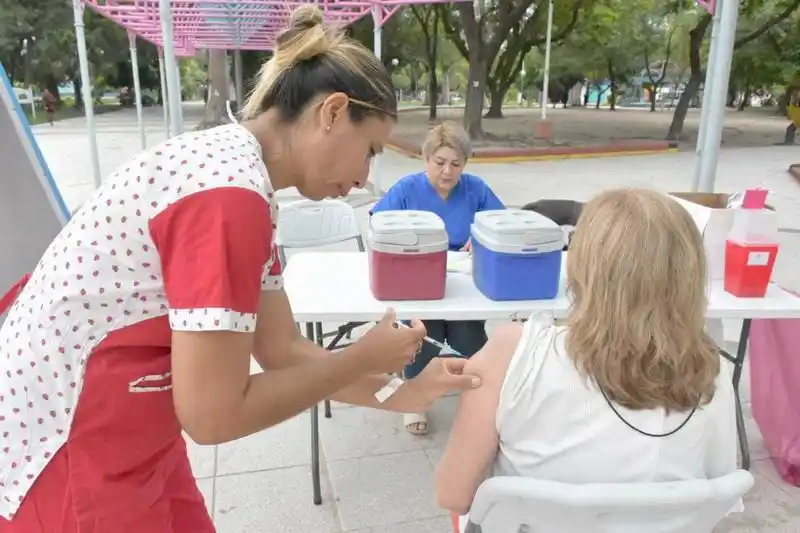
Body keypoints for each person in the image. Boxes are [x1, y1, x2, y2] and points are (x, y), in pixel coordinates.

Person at [0, 6, 481, 533]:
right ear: (333, 112)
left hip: (134, 431)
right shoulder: (228, 194)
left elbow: (283, 351)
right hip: (67, 446)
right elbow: (212, 417)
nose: (366, 178)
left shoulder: (244, 180)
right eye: (369, 150)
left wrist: (402, 390)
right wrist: (364, 353)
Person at [434, 189, 737, 526]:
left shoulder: (512, 351)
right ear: (690, 274)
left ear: (583, 265)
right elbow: (719, 492)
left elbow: (454, 494)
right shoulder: (712, 371)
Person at [370, 121, 504, 436]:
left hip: (461, 283)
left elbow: (499, 223)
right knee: (423, 333)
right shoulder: (406, 189)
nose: (447, 171)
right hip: (415, 280)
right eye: (440, 162)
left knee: (468, 336)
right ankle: (413, 399)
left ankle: (482, 392)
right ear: (426, 159)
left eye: (456, 164)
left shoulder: (476, 189)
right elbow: (378, 225)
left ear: (464, 165)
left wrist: (481, 237)